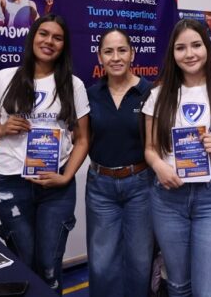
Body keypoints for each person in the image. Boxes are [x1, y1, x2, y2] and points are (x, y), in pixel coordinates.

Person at [0, 14, 90, 295]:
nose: (49, 41)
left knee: (49, 266)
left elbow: (83, 139)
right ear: (33, 37)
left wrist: (66, 177)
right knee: (23, 261)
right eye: (43, 34)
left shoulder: (73, 85)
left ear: (64, 45)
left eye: (57, 37)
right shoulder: (5, 78)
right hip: (13, 183)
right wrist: (1, 129)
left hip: (56, 186)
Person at [142, 19, 211, 297]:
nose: (189, 53)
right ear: (172, 53)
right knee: (178, 285)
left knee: (209, 290)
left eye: (196, 45)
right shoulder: (158, 95)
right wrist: (159, 167)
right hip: (168, 196)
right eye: (181, 48)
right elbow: (150, 148)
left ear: (207, 49)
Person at [85, 28, 153, 297]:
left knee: (140, 261)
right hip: (100, 186)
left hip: (141, 186)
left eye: (122, 50)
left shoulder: (150, 92)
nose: (116, 57)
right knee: (102, 263)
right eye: (108, 51)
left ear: (132, 54)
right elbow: (79, 139)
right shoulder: (90, 94)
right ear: (99, 57)